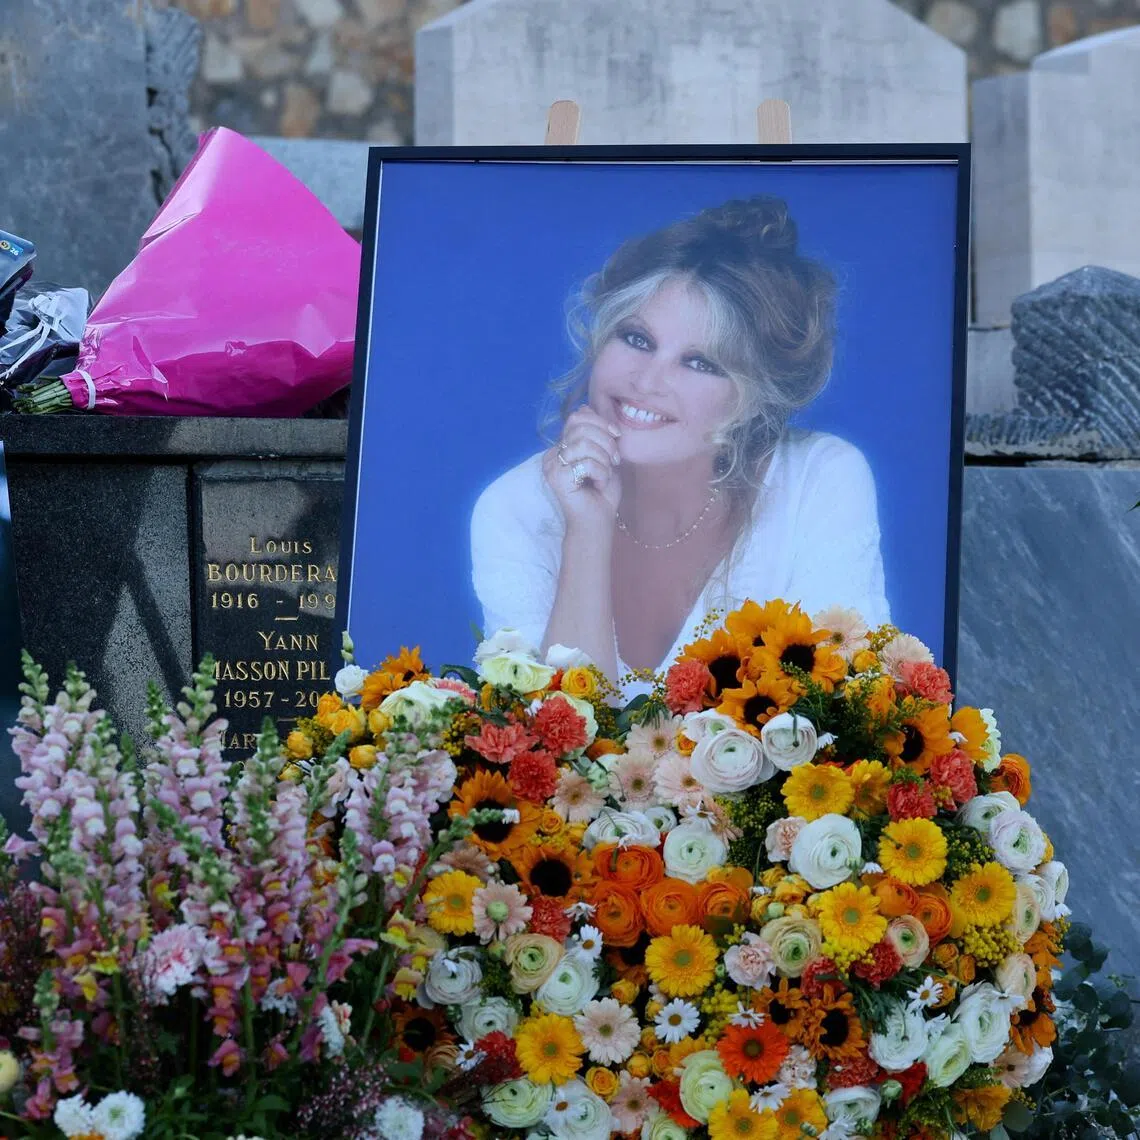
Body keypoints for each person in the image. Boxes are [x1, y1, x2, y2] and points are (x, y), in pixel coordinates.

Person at [470, 194, 889, 696]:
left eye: (700, 363)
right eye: (637, 339)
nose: (647, 381)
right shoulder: (514, 508)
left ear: (757, 398)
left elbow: (847, 712)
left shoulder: (820, 480)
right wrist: (587, 529)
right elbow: (558, 748)